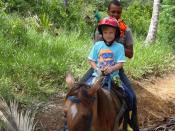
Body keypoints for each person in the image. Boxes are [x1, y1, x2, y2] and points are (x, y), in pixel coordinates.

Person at [81, 1, 139, 130]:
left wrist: (118, 46)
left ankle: (132, 124)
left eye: (118, 12)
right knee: (77, 90)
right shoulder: (99, 30)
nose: (115, 14)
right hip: (97, 69)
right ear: (108, 12)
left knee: (132, 96)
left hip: (115, 70)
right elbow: (96, 52)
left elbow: (129, 54)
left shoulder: (126, 30)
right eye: (113, 12)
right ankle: (73, 121)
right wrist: (97, 67)